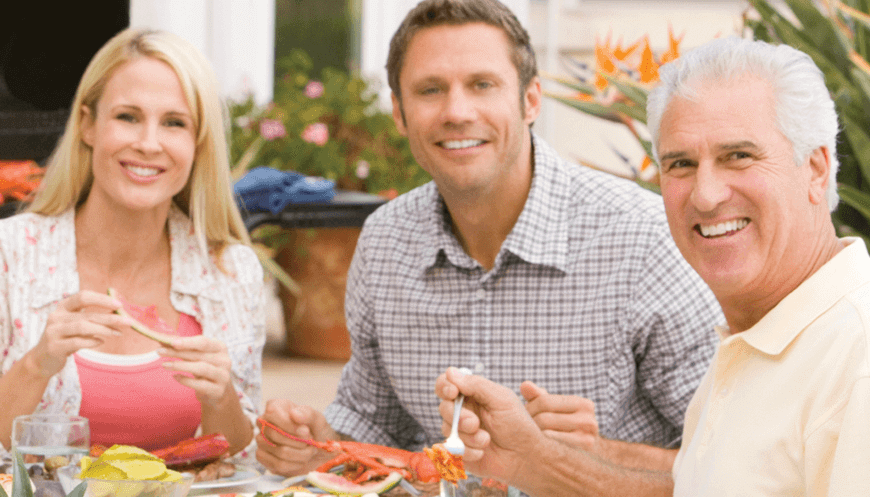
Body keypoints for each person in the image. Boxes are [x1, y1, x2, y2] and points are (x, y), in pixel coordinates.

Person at [257, 0, 722, 477]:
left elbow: (732, 459)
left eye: (482, 85)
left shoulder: (642, 238)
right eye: (430, 89)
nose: (457, 111)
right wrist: (322, 445)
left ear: (530, 100)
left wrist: (587, 454)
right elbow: (377, 429)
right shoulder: (383, 243)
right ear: (399, 113)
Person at [436, 37, 870, 496]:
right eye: (681, 164)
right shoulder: (756, 337)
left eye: (738, 156)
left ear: (816, 168)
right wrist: (530, 461)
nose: (705, 195)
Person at [0, 27, 265, 459]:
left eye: (174, 123)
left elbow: (238, 462)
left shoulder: (231, 272)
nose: (148, 143)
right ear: (88, 124)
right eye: (127, 117)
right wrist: (38, 364)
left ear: (198, 144)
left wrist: (222, 401)